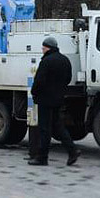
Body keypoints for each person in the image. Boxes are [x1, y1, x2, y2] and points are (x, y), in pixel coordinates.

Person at [27, 34, 80, 166]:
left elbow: (39, 81)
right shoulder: (64, 60)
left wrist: (34, 92)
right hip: (58, 98)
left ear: (48, 48)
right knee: (58, 126)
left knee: (44, 128)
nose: (42, 50)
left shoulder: (46, 61)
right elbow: (68, 78)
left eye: (43, 48)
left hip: (45, 99)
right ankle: (72, 150)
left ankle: (42, 157)